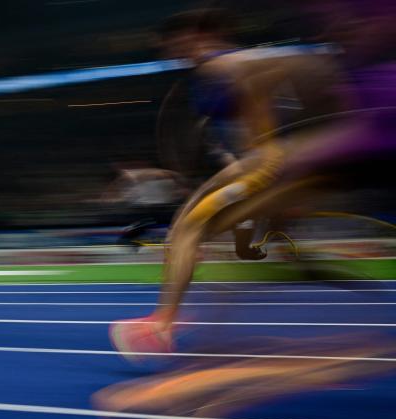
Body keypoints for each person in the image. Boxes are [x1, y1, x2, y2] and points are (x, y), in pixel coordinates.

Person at [109, 9, 342, 356]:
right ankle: (170, 319)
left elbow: (299, 72)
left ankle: (162, 324)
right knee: (192, 232)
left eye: (171, 43)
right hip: (253, 162)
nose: (167, 53)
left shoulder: (224, 64)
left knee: (187, 230)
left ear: (194, 35)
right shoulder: (210, 71)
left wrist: (291, 133)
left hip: (264, 162)